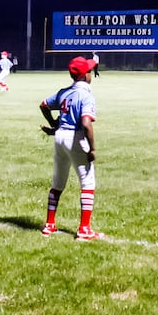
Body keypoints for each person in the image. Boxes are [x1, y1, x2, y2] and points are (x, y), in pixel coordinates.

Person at [38, 55, 101, 241]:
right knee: (88, 183)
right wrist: (92, 149)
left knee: (57, 182)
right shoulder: (86, 95)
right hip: (76, 137)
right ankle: (84, 229)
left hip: (60, 138)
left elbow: (44, 105)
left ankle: (49, 225)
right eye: (90, 71)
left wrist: (53, 125)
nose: (92, 74)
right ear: (85, 75)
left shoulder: (64, 92)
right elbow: (87, 123)